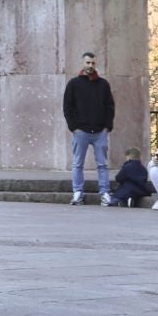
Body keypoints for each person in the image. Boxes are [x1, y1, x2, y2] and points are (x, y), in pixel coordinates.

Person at [63, 52, 115, 206]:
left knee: (102, 165)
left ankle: (105, 193)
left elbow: (109, 106)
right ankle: (78, 192)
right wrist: (74, 127)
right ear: (83, 63)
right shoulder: (73, 84)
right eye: (88, 63)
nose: (90, 66)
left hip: (100, 132)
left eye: (93, 63)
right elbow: (67, 107)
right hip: (81, 131)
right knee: (78, 163)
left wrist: (107, 127)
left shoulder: (103, 84)